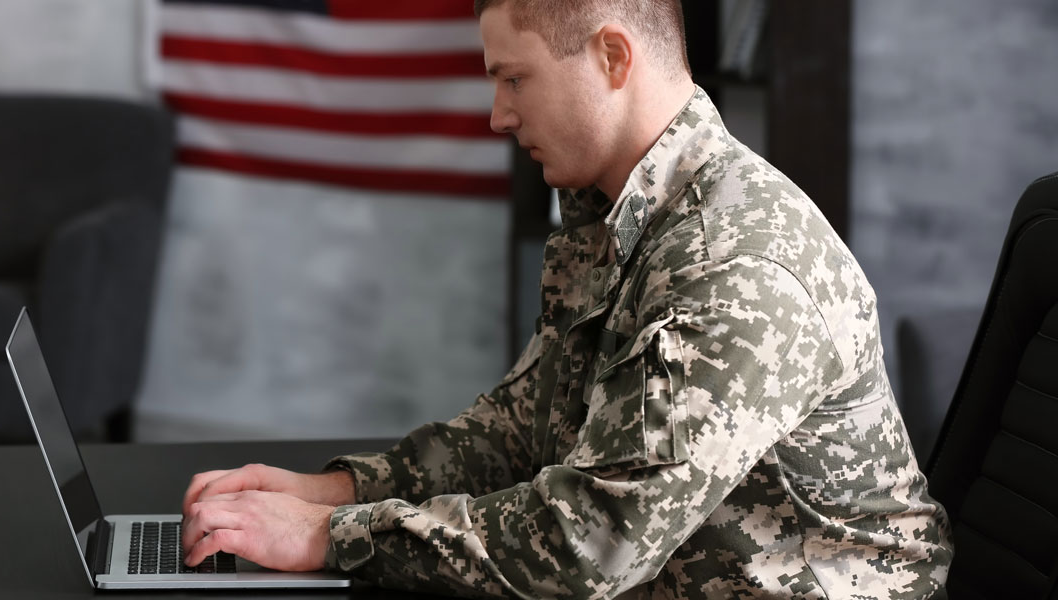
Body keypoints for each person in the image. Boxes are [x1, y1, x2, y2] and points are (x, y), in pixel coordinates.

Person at [178, 0, 954, 597]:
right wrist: (343, 489)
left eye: (515, 78)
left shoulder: (735, 266)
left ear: (612, 57)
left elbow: (592, 542)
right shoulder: (619, 210)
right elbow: (525, 428)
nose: (498, 115)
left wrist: (332, 535)